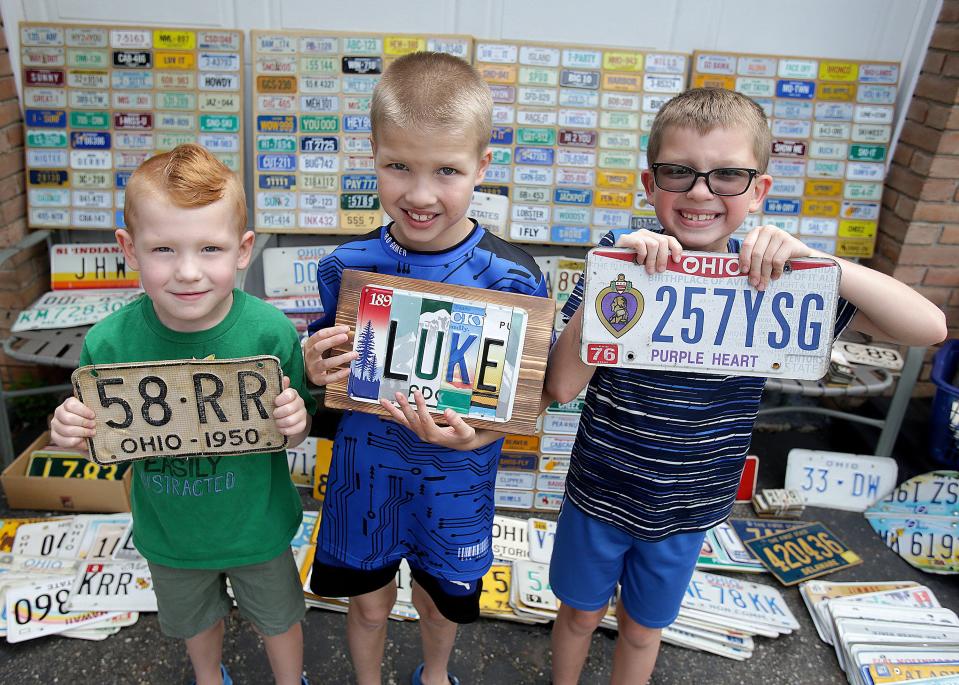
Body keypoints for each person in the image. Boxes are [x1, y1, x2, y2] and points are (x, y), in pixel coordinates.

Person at [544, 87, 948, 685]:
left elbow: (928, 327)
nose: (701, 192)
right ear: (650, 184)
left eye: (728, 175)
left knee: (642, 628)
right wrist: (614, 277)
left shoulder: (777, 279)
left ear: (759, 189)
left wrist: (819, 261)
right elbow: (560, 385)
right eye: (678, 173)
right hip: (599, 495)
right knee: (577, 616)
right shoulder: (617, 261)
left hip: (690, 509)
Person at [303, 51, 548, 685]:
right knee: (367, 600)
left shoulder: (514, 279)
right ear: (374, 157)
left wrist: (483, 434)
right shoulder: (345, 267)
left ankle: (434, 676)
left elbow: (528, 399)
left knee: (442, 603)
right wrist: (312, 365)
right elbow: (327, 370)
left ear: (482, 167)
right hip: (366, 476)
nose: (419, 193)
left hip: (456, 480)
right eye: (398, 167)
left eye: (446, 171)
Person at [49, 144, 315, 685]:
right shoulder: (109, 343)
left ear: (243, 251)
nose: (188, 272)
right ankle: (208, 678)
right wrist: (69, 431)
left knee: (281, 618)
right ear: (129, 248)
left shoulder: (270, 332)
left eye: (210, 248)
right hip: (170, 531)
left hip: (256, 526)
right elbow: (97, 436)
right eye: (164, 249)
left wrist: (296, 421)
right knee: (195, 622)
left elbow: (294, 427)